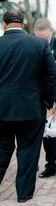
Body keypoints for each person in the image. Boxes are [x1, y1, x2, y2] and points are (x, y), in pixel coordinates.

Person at [0, 7, 56, 203]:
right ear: (23, 24)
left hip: (1, 108)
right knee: (28, 150)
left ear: (4, 24)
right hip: (32, 108)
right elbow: (51, 76)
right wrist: (47, 101)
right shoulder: (39, 45)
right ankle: (24, 193)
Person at [33, 17, 56, 178]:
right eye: (39, 38)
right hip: (39, 97)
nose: (42, 41)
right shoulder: (30, 46)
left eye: (45, 38)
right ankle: (51, 164)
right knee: (46, 134)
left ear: (51, 32)